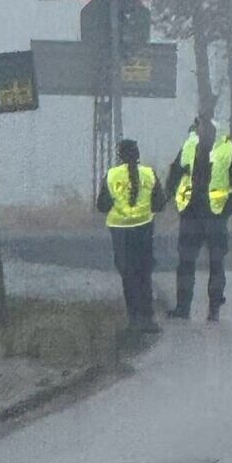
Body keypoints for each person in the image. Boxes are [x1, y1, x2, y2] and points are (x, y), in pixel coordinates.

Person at [165, 113, 232, 321]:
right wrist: (175, 200)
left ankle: (213, 310)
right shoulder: (189, 145)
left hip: (214, 216)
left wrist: (225, 211)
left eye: (202, 127)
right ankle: (183, 308)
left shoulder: (228, 149)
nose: (199, 131)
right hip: (191, 214)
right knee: (186, 262)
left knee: (215, 263)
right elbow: (174, 174)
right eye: (198, 127)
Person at [97, 139, 166, 333]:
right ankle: (148, 318)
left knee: (128, 276)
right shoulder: (149, 174)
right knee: (144, 273)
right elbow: (159, 204)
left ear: (120, 155)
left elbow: (101, 205)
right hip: (144, 229)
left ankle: (134, 319)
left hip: (120, 231)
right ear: (138, 154)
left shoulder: (111, 175)